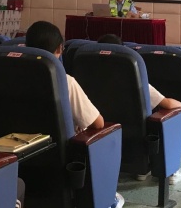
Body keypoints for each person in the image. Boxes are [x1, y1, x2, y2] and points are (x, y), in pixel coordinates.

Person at [26, 21, 124, 208]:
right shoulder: (64, 81)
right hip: (60, 161)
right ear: (60, 49)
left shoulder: (8, 76)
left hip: (19, 159)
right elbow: (97, 123)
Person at [97, 34, 181, 184]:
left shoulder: (86, 79)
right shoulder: (134, 80)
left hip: (103, 135)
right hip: (138, 139)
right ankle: (171, 169)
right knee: (174, 113)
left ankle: (140, 170)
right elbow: (168, 104)